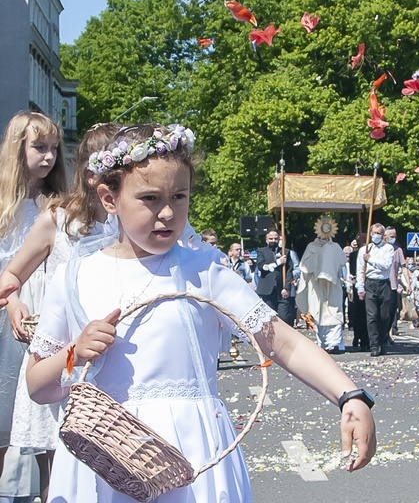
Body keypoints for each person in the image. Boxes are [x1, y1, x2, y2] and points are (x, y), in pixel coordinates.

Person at [24, 124, 376, 502]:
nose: (167, 213)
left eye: (179, 196)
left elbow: (283, 343)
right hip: (105, 454)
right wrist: (74, 352)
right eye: (149, 198)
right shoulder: (76, 276)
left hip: (193, 456)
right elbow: (38, 386)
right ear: (110, 199)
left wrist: (349, 395)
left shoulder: (205, 270)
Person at [0, 122, 120, 502]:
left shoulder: (131, 222)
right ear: (90, 173)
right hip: (61, 356)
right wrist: (14, 303)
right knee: (58, 451)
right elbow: (12, 274)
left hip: (112, 353)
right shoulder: (59, 219)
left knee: (113, 458)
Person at [0, 111, 68, 500]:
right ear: (17, 148)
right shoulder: (5, 206)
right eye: (39, 147)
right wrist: (11, 297)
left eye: (54, 149)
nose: (49, 157)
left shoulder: (54, 205)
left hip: (45, 313)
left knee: (43, 423)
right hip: (11, 308)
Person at [297, 224, 347, 354]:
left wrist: (328, 254)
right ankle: (322, 343)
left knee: (334, 312)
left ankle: (334, 343)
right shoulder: (311, 247)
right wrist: (319, 256)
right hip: (316, 286)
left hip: (332, 286)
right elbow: (304, 266)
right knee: (317, 312)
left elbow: (341, 261)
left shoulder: (335, 247)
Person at [356, 223, 394, 357]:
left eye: (378, 233)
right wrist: (360, 288)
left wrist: (371, 259)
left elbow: (386, 265)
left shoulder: (388, 249)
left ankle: (383, 342)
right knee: (371, 316)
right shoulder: (364, 250)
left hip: (384, 283)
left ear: (383, 235)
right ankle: (374, 345)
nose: (375, 236)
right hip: (370, 283)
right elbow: (360, 269)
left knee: (384, 316)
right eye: (373, 233)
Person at [256, 229, 294, 326]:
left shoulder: (286, 252)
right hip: (267, 291)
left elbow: (289, 271)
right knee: (269, 319)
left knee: (284, 317)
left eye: (275, 239)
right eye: (271, 238)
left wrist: (287, 287)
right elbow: (261, 267)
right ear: (266, 240)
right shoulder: (261, 251)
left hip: (281, 290)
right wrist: (278, 262)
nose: (273, 240)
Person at [384, 227, 409, 343]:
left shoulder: (397, 250)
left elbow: (404, 267)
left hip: (393, 284)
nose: (393, 239)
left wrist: (407, 283)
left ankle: (389, 334)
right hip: (381, 283)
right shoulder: (380, 249)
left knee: (391, 311)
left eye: (395, 236)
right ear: (385, 236)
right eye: (391, 236)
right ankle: (383, 335)